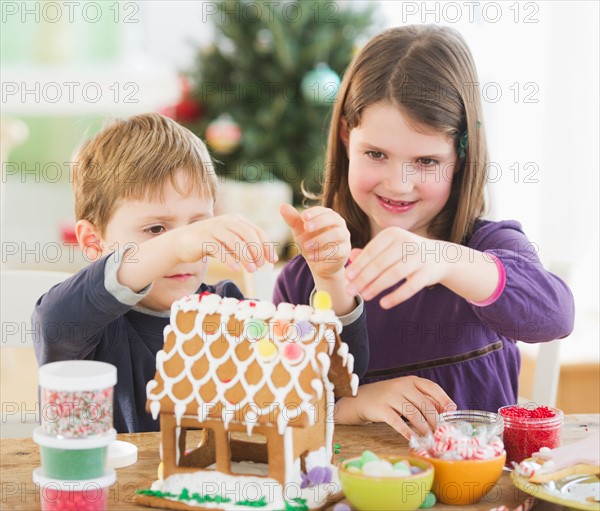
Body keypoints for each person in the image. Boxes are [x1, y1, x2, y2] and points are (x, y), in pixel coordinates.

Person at [275, 25, 574, 439]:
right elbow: (283, 403)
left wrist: (443, 259)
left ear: (461, 155)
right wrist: (358, 404)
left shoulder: (486, 248)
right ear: (347, 137)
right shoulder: (305, 276)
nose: (399, 184)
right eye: (376, 154)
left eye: (427, 161)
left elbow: (555, 315)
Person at [33, 113, 369, 433]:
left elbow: (327, 381)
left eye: (198, 225)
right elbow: (53, 320)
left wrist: (330, 276)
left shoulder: (227, 309)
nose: (189, 249)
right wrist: (177, 244)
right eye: (155, 229)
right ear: (93, 242)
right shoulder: (91, 330)